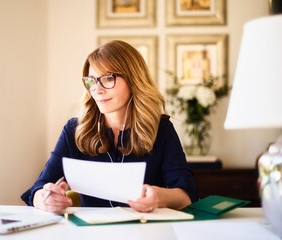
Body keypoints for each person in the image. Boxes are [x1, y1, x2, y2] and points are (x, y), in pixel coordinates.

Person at [21, 40, 199, 213]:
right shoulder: (74, 131)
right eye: (91, 81)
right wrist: (45, 198)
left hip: (144, 232)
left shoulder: (161, 129)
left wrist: (160, 197)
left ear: (133, 80)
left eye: (107, 79)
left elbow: (187, 193)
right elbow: (37, 189)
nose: (97, 90)